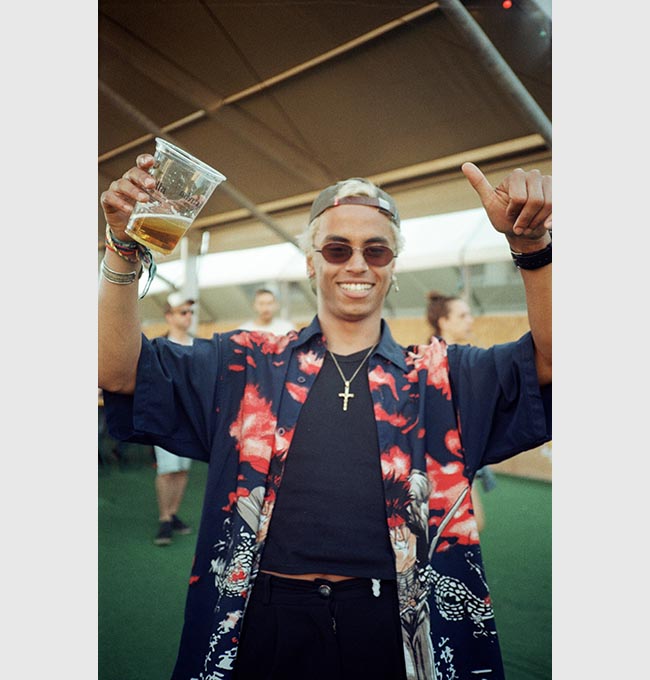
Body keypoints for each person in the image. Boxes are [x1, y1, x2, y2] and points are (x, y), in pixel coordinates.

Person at [99, 157, 551, 680]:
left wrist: (533, 248)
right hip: (262, 620)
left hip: (396, 625)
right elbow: (117, 371)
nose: (357, 264)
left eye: (376, 250)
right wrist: (122, 248)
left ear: (392, 266)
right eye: (338, 249)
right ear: (312, 263)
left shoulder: (441, 376)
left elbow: (551, 362)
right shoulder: (246, 364)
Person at [425, 290, 497, 533]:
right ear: (444, 321)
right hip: (441, 458)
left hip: (463, 454)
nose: (470, 320)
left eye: (470, 314)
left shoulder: (466, 359)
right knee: (469, 524)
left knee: (467, 525)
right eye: (463, 315)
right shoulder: (431, 360)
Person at [151, 291, 196, 546]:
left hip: (190, 418)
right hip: (165, 417)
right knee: (167, 470)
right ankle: (164, 518)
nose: (188, 316)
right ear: (169, 316)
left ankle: (174, 512)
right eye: (183, 312)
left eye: (190, 312)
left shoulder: (197, 345)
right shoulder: (158, 346)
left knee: (182, 469)